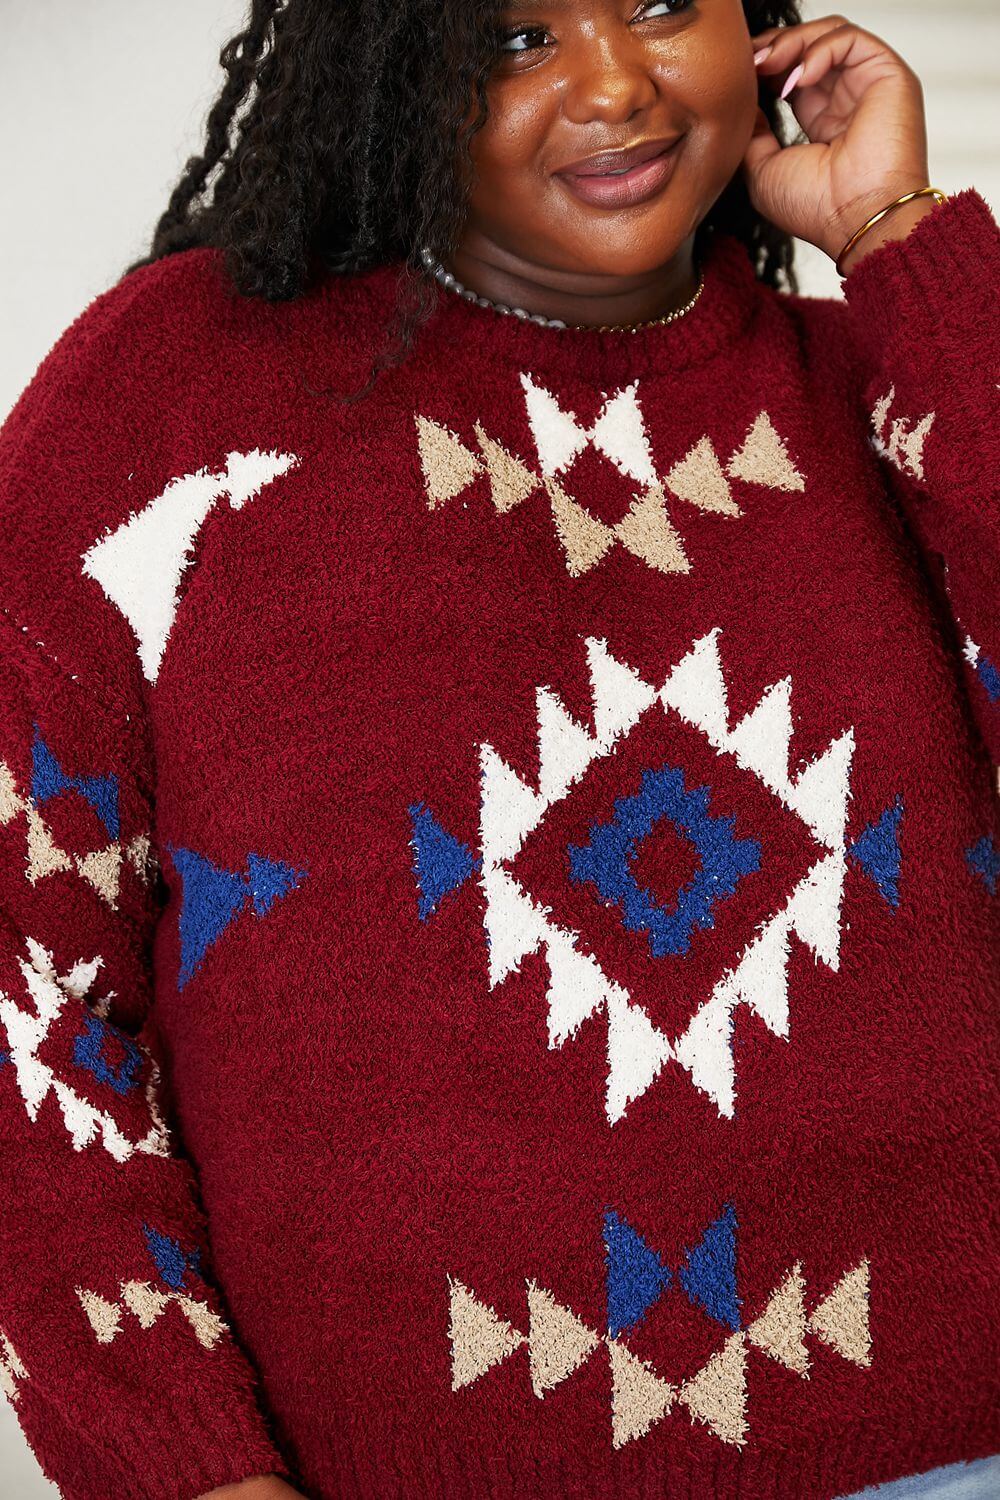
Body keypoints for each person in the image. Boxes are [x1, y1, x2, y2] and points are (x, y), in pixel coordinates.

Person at [0, 3, 996, 1498]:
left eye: (665, 3)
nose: (615, 83)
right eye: (518, 35)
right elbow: (30, 994)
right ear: (388, 69)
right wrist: (181, 1469)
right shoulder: (180, 405)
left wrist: (906, 245)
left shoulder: (891, 383)